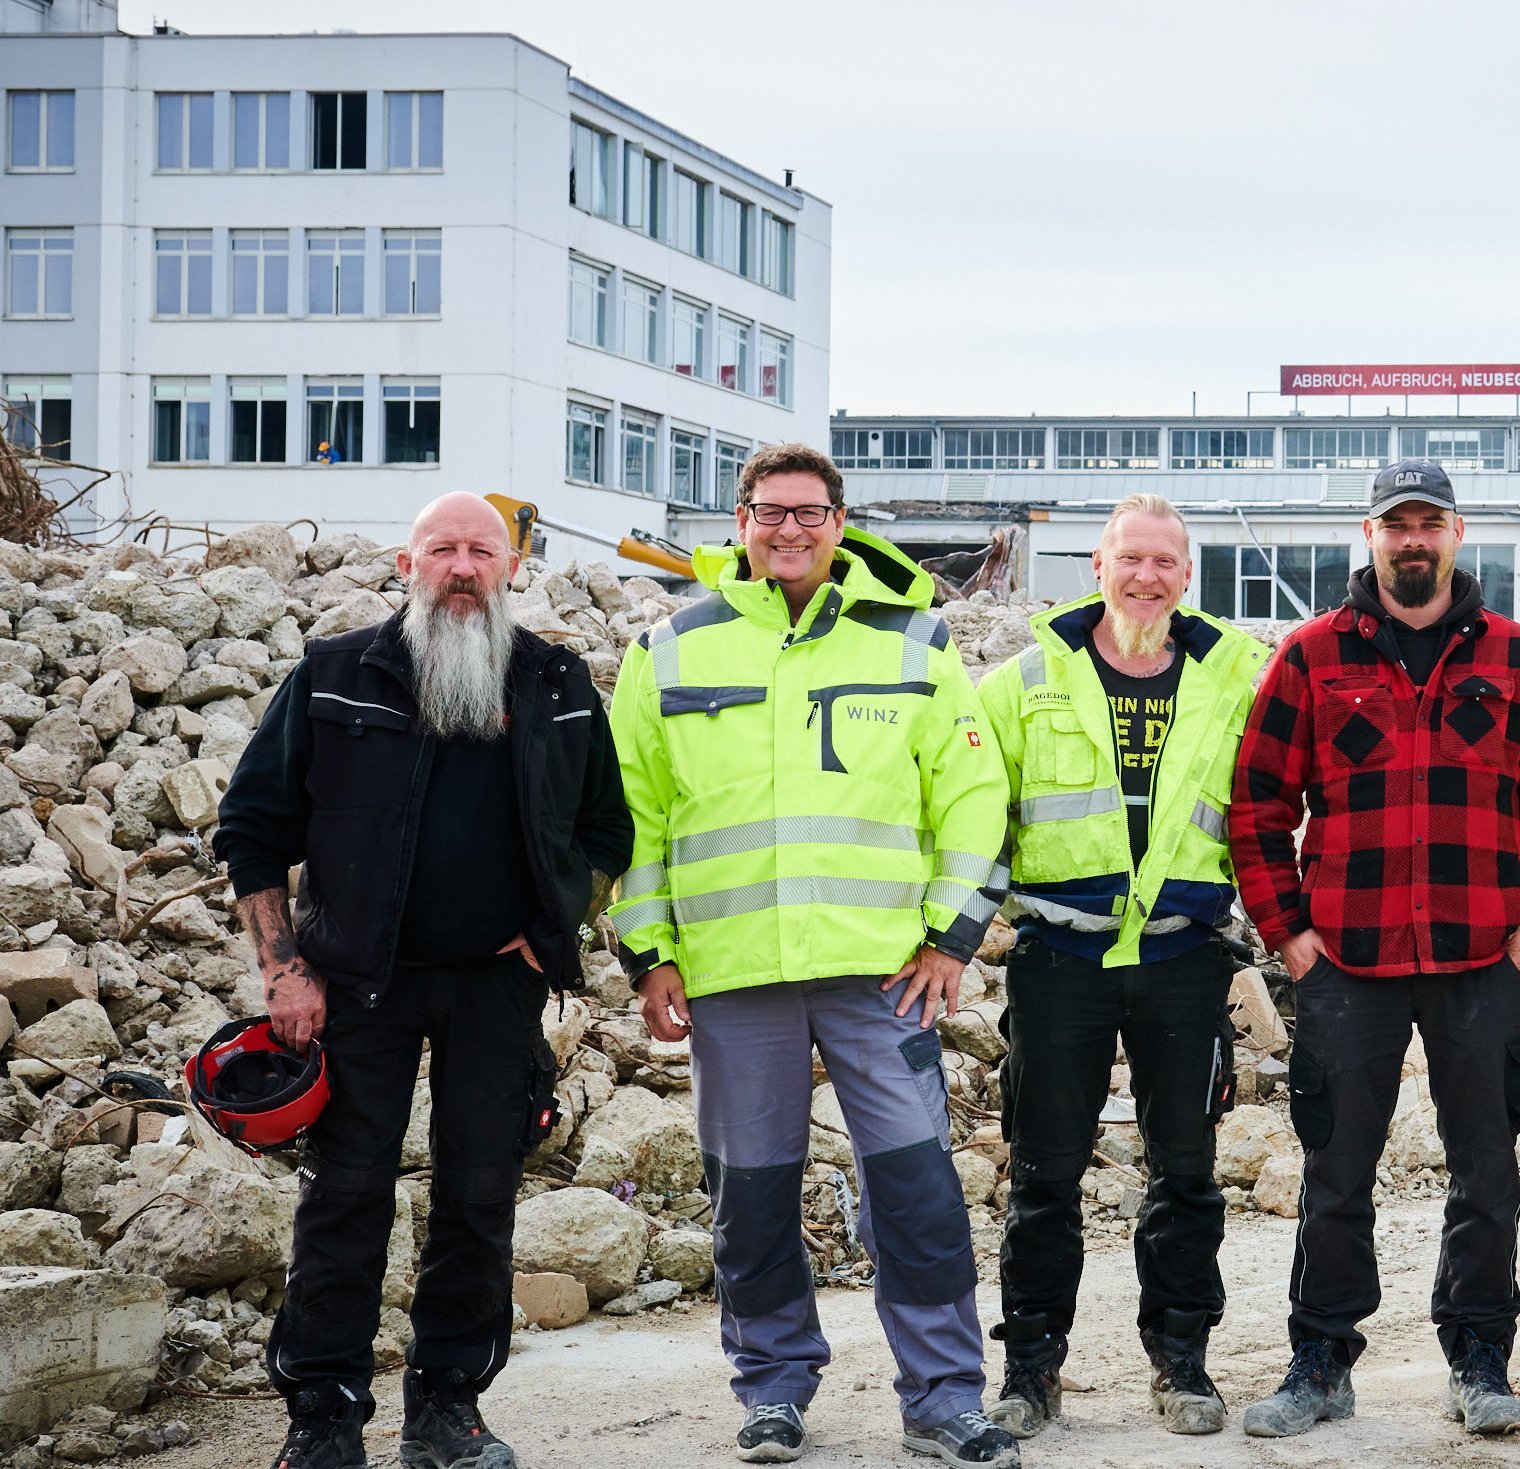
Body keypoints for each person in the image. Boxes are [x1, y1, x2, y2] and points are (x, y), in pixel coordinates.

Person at [604, 444, 1019, 1467]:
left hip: (883, 972)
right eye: (769, 511)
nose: (789, 529)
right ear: (738, 521)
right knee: (750, 1194)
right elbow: (632, 820)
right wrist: (649, 952)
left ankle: (942, 1396)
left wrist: (947, 935)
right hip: (733, 973)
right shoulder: (671, 650)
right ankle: (773, 1385)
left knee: (917, 1190)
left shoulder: (912, 641)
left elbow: (971, 801)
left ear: (840, 522)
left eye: (810, 512)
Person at [216, 492, 633, 1469]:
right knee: (344, 1193)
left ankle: (448, 1407)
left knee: (478, 1192)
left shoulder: (557, 680)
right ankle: (322, 1414)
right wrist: (283, 967)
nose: (460, 564)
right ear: (409, 564)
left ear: (510, 566)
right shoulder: (335, 672)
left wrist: (550, 930)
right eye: (440, 547)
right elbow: (253, 825)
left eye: (479, 549)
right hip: (357, 980)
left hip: (497, 986)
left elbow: (607, 831)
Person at [1228, 457, 1520, 1441]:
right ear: (1371, 535)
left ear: (1457, 535)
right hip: (1346, 960)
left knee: (1486, 1169)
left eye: (1431, 522)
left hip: (1482, 959)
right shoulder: (1311, 657)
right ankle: (1319, 1362)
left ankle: (1478, 1359)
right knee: (1336, 1169)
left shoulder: (1518, 658)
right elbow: (1257, 804)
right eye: (1398, 523)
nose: (1414, 538)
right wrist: (1289, 934)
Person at [974, 494, 1268, 1439]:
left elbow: (1276, 810)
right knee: (1044, 1176)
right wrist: (951, 937)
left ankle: (1182, 1360)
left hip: (1185, 958)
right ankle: (1030, 1368)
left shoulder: (1239, 681)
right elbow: (978, 820)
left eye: (1165, 562)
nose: (1146, 576)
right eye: (1129, 558)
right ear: (1096, 567)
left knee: (1186, 1173)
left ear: (1189, 575)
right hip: (1062, 957)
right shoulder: (1020, 684)